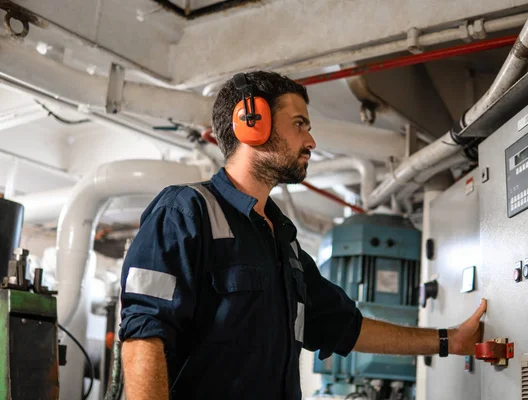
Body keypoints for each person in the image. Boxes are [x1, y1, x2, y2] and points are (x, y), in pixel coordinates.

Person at [118, 70, 487, 400]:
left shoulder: (282, 240)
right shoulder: (186, 212)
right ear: (252, 123)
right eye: (299, 124)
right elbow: (143, 337)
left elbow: (345, 326)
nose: (310, 141)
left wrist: (448, 341)